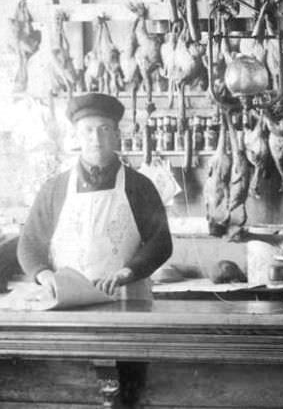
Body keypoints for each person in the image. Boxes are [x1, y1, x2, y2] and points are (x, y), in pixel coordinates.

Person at [17, 93, 172, 300]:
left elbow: (161, 243)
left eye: (104, 129)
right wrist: (44, 276)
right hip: (66, 302)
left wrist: (129, 271)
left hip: (126, 300)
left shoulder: (140, 186)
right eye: (88, 130)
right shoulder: (54, 189)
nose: (96, 139)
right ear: (76, 136)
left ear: (117, 134)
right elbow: (28, 244)